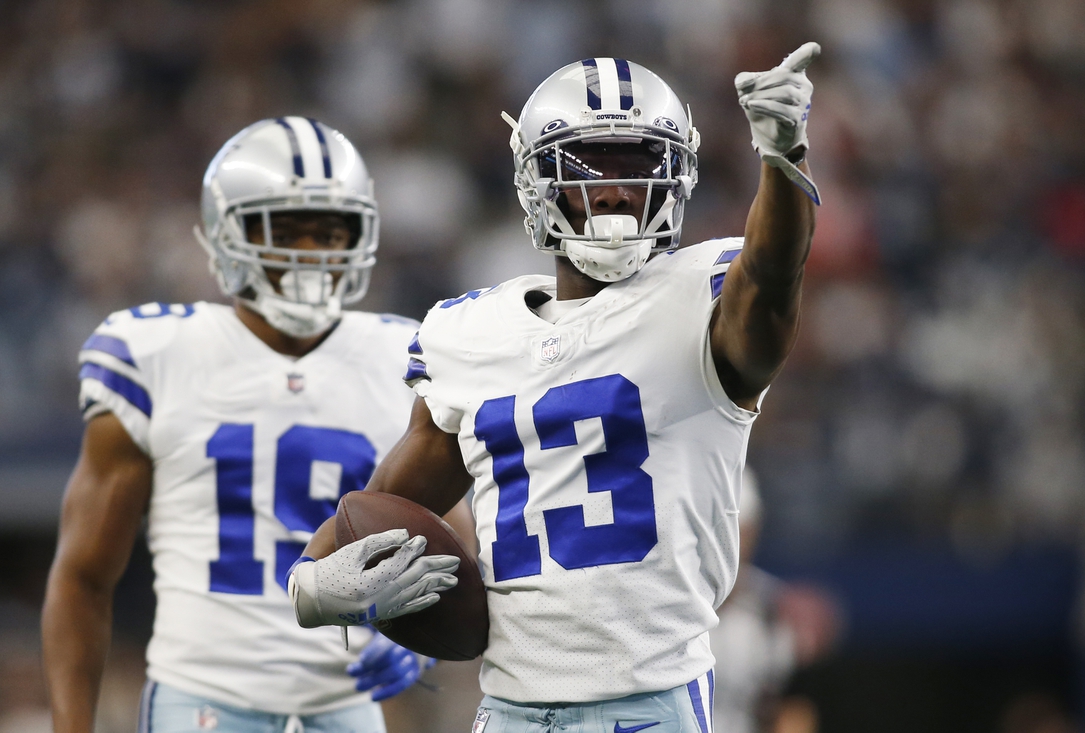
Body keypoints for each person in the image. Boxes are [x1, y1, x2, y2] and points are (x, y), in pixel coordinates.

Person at [290, 44, 822, 733]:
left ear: (676, 175)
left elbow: (775, 274)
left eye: (638, 164)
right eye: (587, 165)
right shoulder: (469, 333)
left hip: (648, 704)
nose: (613, 189)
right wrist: (311, 582)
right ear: (536, 181)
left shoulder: (705, 299)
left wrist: (783, 160)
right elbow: (382, 504)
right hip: (508, 708)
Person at [41, 116, 470, 733]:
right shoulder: (155, 354)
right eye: (285, 229)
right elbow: (83, 576)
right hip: (203, 699)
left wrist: (412, 625)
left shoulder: (403, 355)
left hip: (343, 704)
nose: (312, 253)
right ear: (226, 233)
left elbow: (455, 548)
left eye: (332, 230)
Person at [709, 469, 839, 733]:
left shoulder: (779, 613)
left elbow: (796, 712)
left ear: (753, 532)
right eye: (718, 530)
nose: (728, 543)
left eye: (739, 532)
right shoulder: (668, 606)